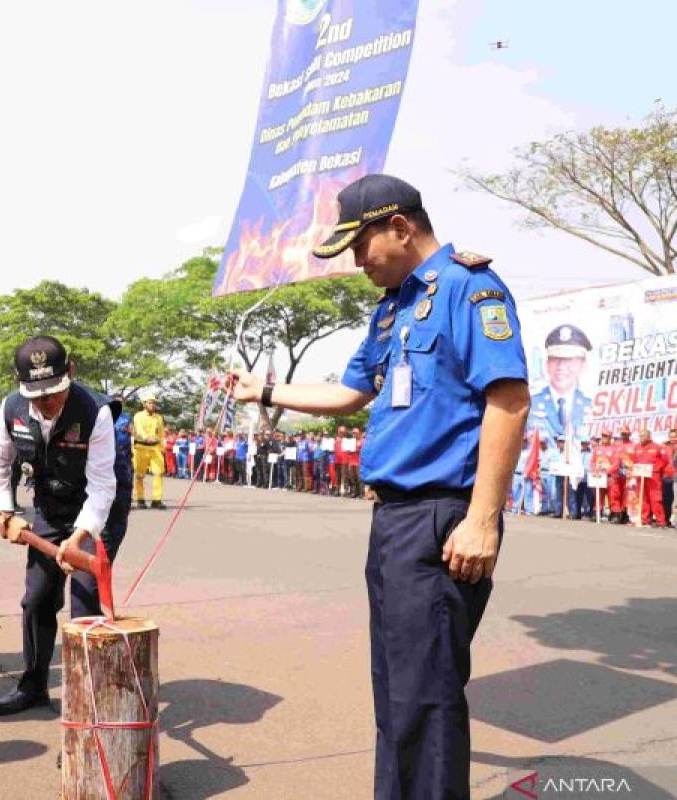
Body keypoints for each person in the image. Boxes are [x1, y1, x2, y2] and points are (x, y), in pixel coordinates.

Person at [233, 174, 529, 799]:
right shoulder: (392, 307)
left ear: (400, 227)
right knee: (396, 687)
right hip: (395, 522)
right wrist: (260, 391)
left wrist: (482, 519)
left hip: (441, 516)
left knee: (427, 694)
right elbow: (350, 392)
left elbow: (509, 399)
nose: (356, 261)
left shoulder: (468, 289)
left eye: (361, 245)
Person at [0, 336, 130, 715]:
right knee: (37, 597)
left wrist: (79, 539)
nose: (46, 404)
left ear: (71, 372)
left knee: (84, 603)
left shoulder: (95, 411)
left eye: (54, 393)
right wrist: (5, 513)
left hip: (99, 509)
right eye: (37, 395)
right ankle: (33, 684)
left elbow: (101, 487)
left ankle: (87, 706)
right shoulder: (11, 408)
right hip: (50, 504)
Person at [528, 324, 592, 445]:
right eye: (555, 359)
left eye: (569, 360)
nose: (561, 366)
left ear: (583, 365)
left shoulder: (592, 407)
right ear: (547, 363)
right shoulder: (530, 406)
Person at [132, 393, 167, 508]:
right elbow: (139, 430)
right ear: (144, 404)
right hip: (141, 447)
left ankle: (156, 500)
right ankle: (140, 499)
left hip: (155, 448)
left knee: (159, 473)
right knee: (140, 475)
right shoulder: (138, 416)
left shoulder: (159, 417)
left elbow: (161, 434)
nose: (152, 405)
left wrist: (162, 448)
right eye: (150, 402)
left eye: (154, 402)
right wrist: (147, 437)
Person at [635, 429, 668, 527]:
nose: (641, 438)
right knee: (643, 498)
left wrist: (655, 469)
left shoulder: (657, 447)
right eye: (640, 436)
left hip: (654, 477)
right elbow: (633, 460)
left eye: (643, 436)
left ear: (649, 436)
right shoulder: (637, 447)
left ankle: (660, 521)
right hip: (640, 476)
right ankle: (645, 519)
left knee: (655, 499)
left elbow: (664, 460)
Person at [662, 429, 677, 528]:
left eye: (674, 436)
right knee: (667, 499)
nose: (673, 438)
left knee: (675, 500)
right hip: (666, 476)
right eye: (671, 436)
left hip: (676, 477)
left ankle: (674, 521)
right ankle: (666, 519)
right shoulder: (664, 447)